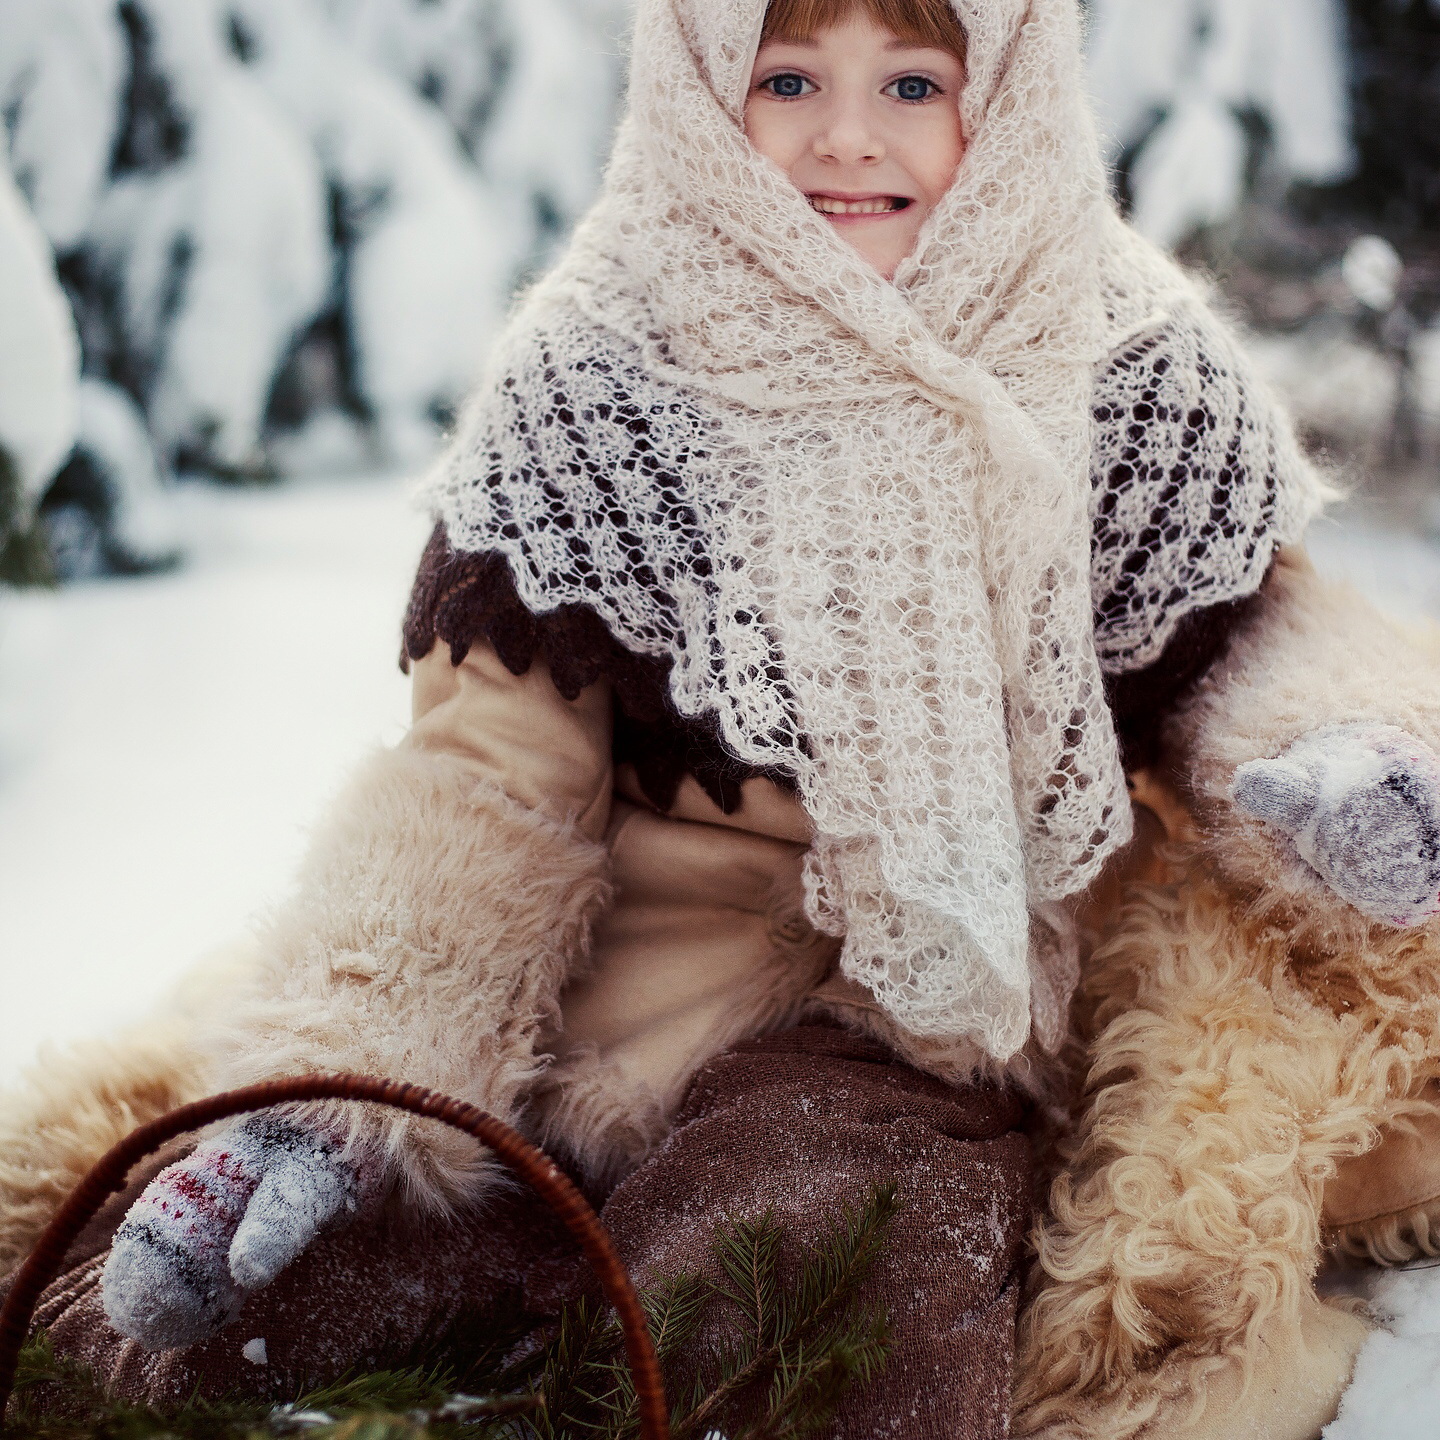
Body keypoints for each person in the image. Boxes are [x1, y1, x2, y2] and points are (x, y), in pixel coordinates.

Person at [6, 2, 1439, 1435]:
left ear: (1006, 94)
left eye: (915, 80)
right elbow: (483, 782)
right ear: (700, 93)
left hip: (917, 1036)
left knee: (810, 1270)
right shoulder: (600, 377)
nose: (849, 132)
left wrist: (1340, 747)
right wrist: (345, 1087)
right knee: (298, 1292)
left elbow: (1248, 632)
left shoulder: (1125, 368)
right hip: (610, 1023)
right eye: (791, 76)